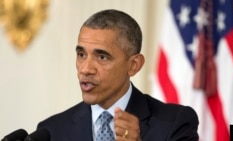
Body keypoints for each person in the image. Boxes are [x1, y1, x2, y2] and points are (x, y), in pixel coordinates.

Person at [37, 9, 199, 141]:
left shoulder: (174, 123)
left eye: (102, 57)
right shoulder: (51, 131)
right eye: (81, 54)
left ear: (133, 65)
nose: (85, 69)